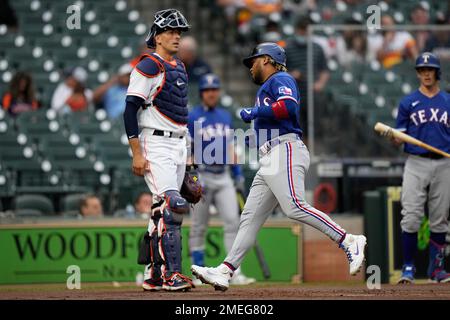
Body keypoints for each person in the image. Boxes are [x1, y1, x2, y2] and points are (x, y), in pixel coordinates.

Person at [191, 42, 367, 291]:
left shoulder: (280, 78)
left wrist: (255, 111)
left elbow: (289, 107)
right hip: (270, 156)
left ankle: (348, 240)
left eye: (253, 61)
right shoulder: (267, 86)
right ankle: (226, 270)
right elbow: (273, 118)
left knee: (294, 206)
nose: (251, 66)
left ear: (266, 59)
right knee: (249, 219)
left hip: (285, 150)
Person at [123, 9, 193, 292]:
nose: (178, 36)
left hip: (178, 141)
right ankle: (172, 275)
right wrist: (137, 152)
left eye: (180, 32)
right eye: (172, 31)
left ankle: (153, 275)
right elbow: (130, 110)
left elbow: (180, 112)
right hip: (155, 142)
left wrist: (187, 155)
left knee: (159, 210)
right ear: (158, 36)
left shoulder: (179, 66)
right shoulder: (149, 66)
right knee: (173, 206)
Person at [381, 52, 450, 284]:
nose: (426, 73)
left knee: (440, 219)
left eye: (429, 69)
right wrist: (395, 137)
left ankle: (436, 270)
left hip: (444, 163)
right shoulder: (408, 102)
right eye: (422, 70)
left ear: (437, 72)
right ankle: (408, 268)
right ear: (418, 73)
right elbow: (401, 137)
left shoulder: (448, 101)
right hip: (416, 162)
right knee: (410, 216)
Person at [188, 73, 256, 286]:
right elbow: (187, 148)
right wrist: (193, 177)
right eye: (208, 90)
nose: (211, 93)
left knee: (233, 223)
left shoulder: (225, 116)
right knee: (199, 225)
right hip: (203, 174)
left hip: (223, 174)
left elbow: (229, 146)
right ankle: (197, 272)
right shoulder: (192, 116)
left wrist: (237, 174)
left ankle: (233, 272)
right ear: (201, 93)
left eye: (214, 89)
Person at [284, 16, 329, 140]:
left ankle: (309, 153)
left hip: (312, 95)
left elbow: (324, 70)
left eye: (306, 31)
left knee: (313, 128)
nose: (303, 34)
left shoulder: (317, 48)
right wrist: (292, 75)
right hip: (294, 96)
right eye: (301, 31)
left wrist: (320, 84)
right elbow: (278, 73)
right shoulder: (288, 49)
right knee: (296, 127)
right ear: (297, 30)